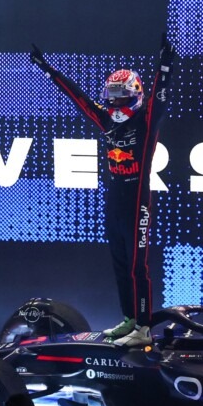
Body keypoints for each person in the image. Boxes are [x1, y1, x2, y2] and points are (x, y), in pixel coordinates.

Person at [29, 35, 177, 347]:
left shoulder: (146, 121)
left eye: (122, 97)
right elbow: (78, 98)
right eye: (112, 97)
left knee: (138, 267)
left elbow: (160, 98)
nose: (116, 104)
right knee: (120, 263)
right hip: (115, 200)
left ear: (135, 96)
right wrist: (49, 70)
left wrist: (164, 67)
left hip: (138, 201)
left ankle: (144, 327)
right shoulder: (106, 120)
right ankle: (130, 319)